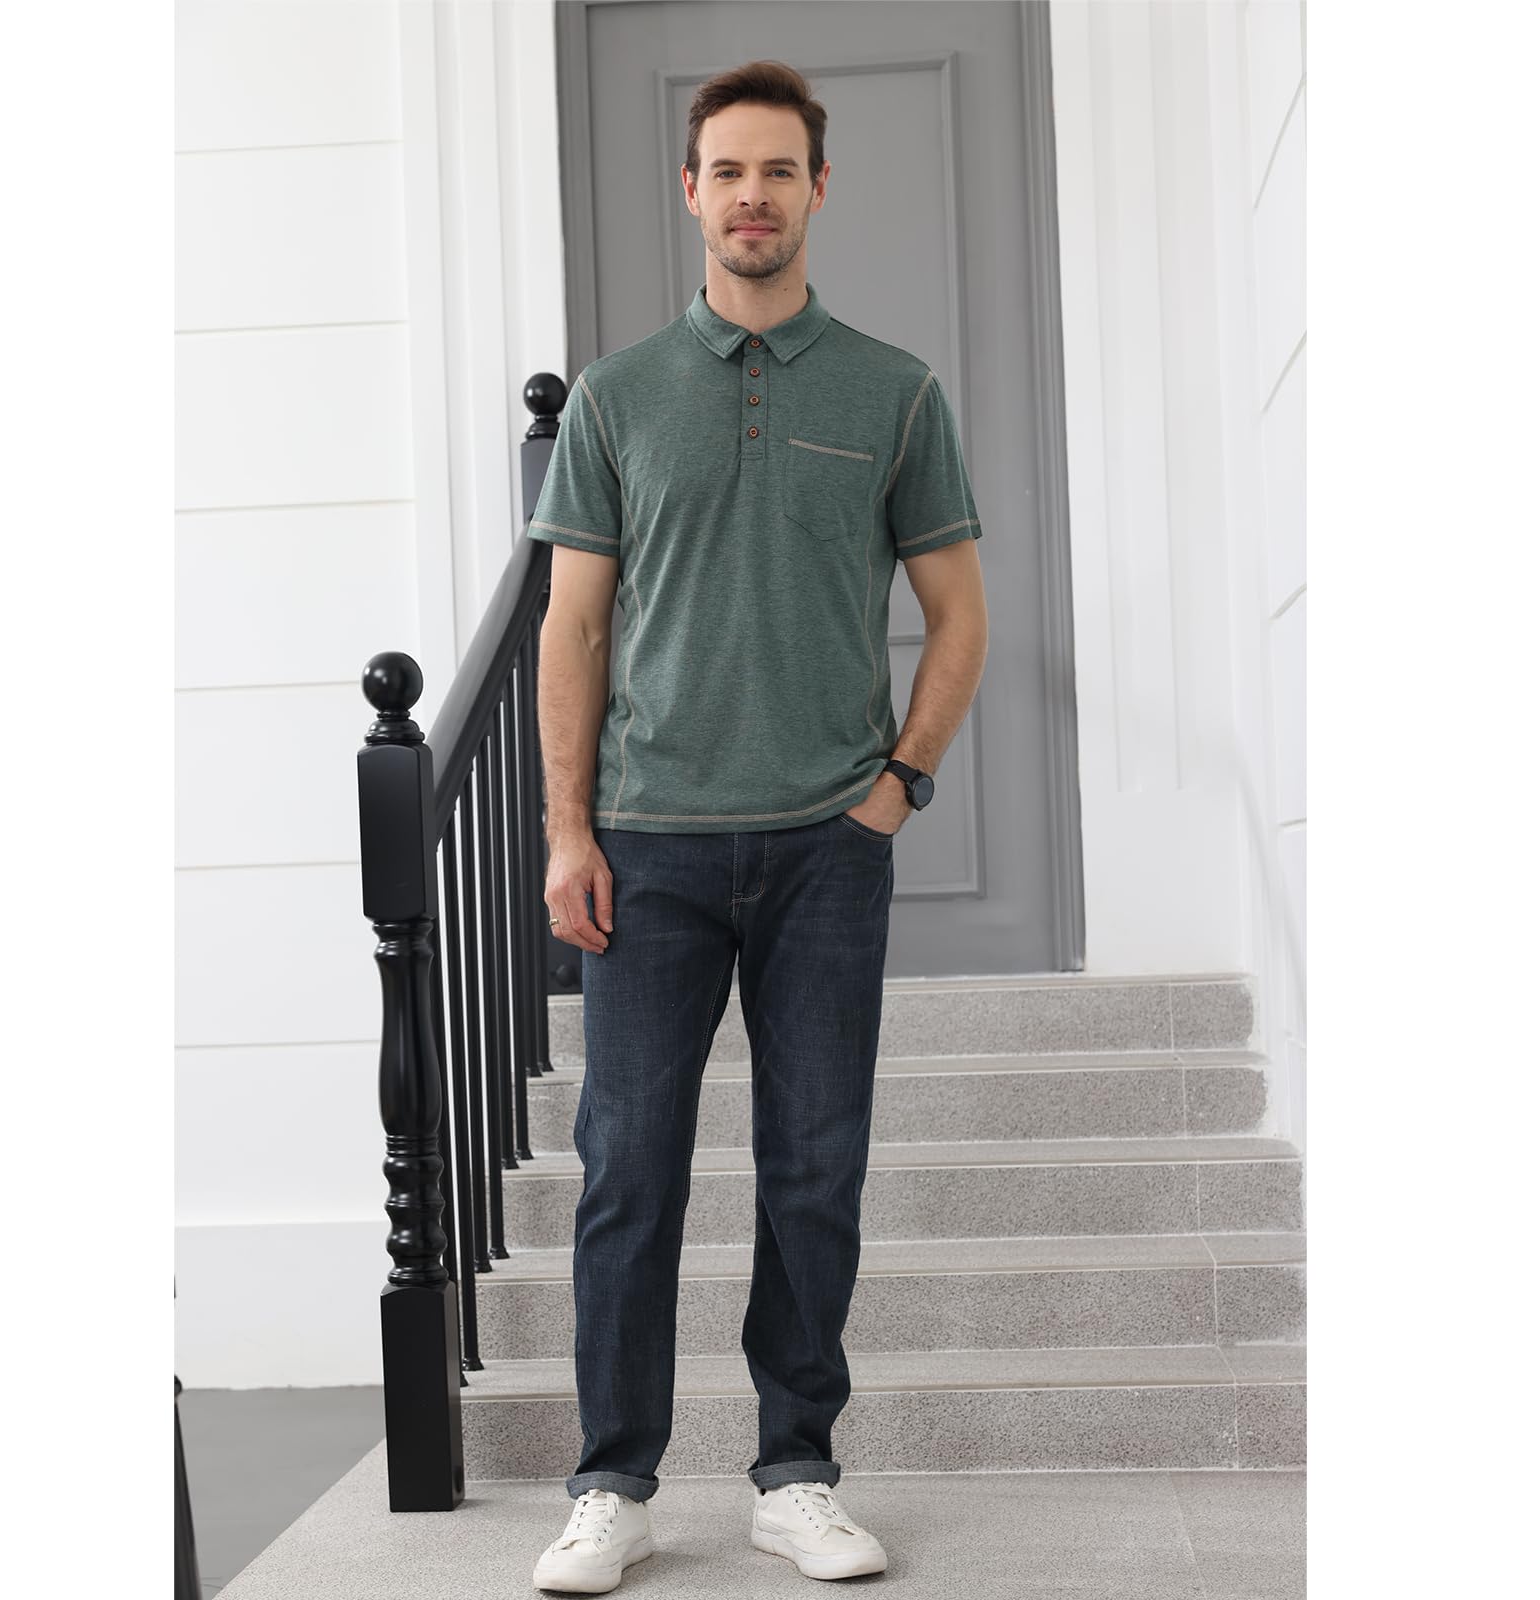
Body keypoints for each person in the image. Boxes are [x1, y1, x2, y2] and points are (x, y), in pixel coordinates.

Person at [527, 59, 988, 1594]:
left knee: (812, 1170)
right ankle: (613, 1485)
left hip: (822, 854)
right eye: (726, 170)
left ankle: (798, 1473)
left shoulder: (894, 391)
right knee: (629, 1173)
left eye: (778, 170)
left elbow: (960, 614)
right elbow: (573, 629)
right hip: (647, 850)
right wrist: (569, 831)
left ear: (816, 189)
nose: (751, 195)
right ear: (691, 190)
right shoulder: (617, 397)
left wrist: (895, 786)